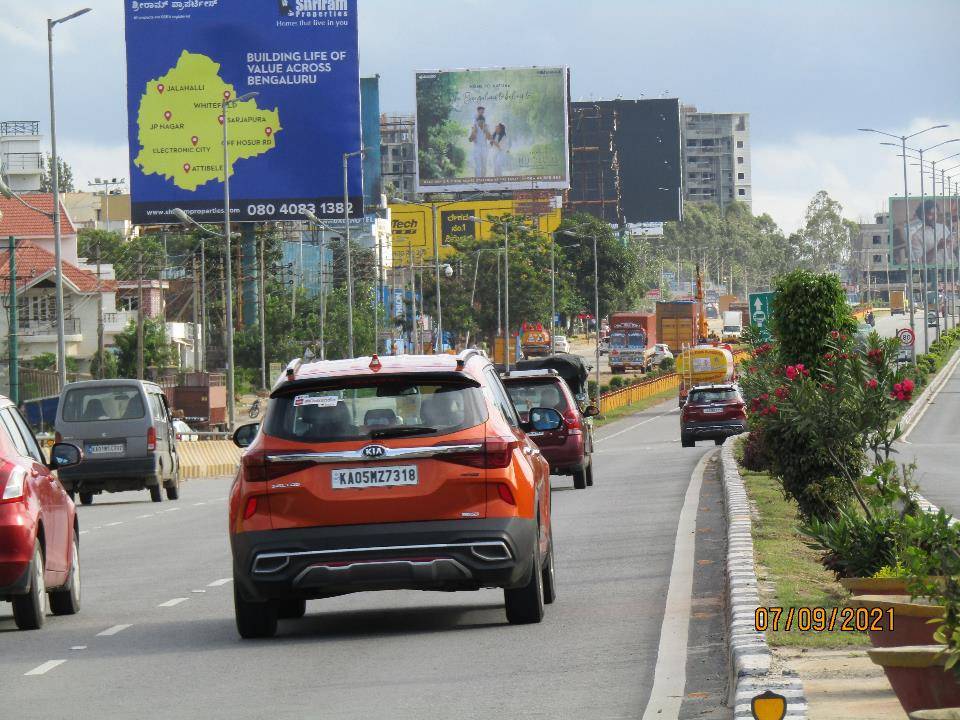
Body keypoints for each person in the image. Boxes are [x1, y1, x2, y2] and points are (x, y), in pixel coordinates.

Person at [468, 106, 490, 178]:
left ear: (484, 121)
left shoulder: (486, 127)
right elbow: (470, 140)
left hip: (484, 148)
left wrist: (486, 131)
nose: (481, 122)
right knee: (478, 165)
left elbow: (489, 138)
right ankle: (478, 181)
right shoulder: (474, 126)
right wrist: (473, 133)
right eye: (479, 121)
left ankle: (483, 180)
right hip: (477, 148)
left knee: (484, 165)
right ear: (477, 121)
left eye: (482, 121)